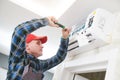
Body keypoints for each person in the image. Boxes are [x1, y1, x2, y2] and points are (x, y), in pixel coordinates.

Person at [6, 16, 71, 80]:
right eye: (38, 43)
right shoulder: (18, 58)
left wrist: (64, 38)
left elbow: (59, 58)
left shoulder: (40, 65)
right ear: (27, 47)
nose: (42, 46)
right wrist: (46, 21)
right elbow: (19, 31)